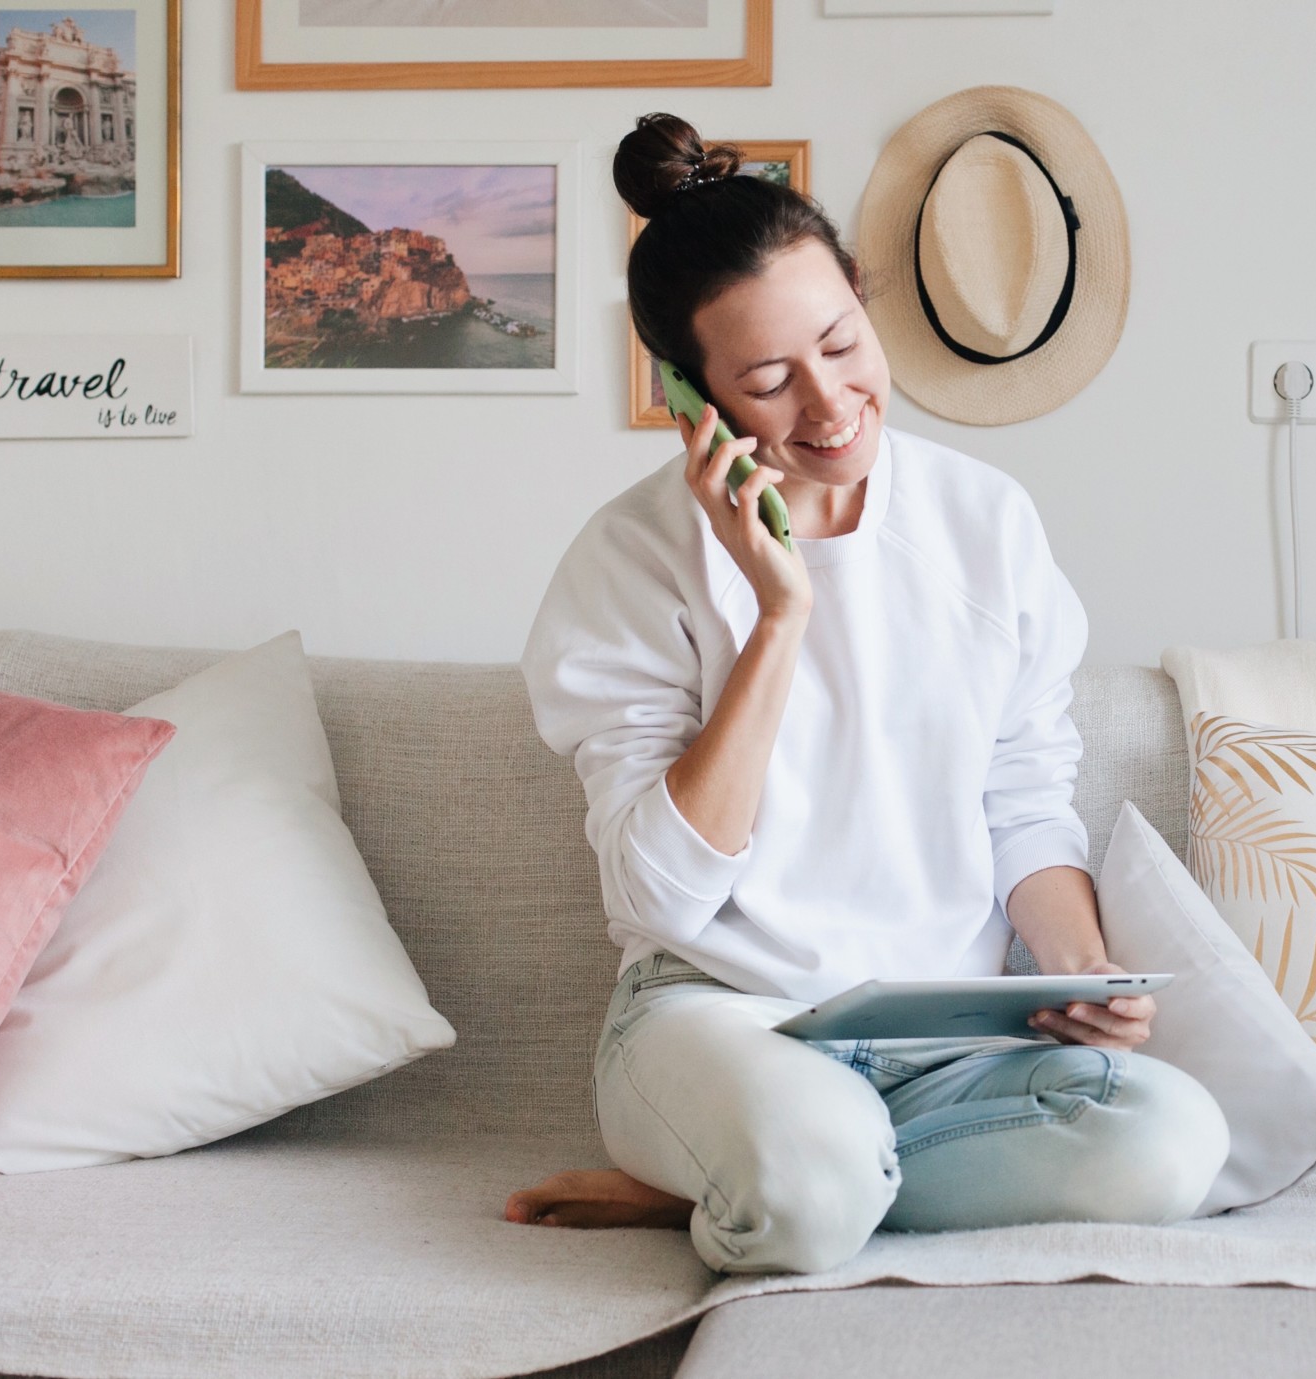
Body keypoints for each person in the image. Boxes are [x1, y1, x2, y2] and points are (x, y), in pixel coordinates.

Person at [507, 113, 1227, 1275]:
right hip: (719, 1018)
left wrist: (1075, 971)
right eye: (769, 381)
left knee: (1173, 1142)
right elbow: (664, 899)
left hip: (947, 1036)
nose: (831, 404)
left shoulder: (986, 522)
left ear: (859, 293)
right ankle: (785, 1165)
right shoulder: (629, 560)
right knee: (811, 1168)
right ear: (696, 398)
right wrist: (780, 611)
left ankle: (762, 1181)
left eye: (842, 342)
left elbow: (1026, 800)